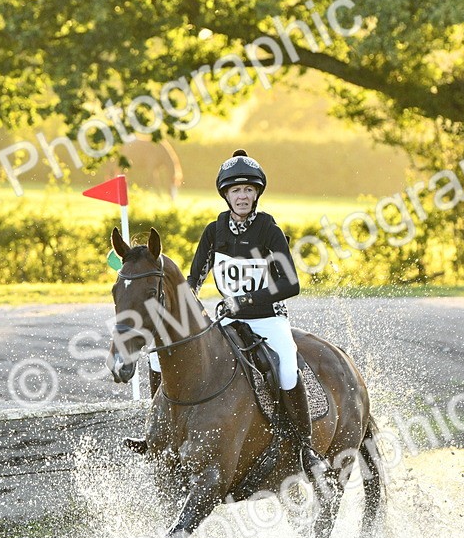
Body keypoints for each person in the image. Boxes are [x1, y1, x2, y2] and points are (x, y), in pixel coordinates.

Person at [126, 149, 327, 476]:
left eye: (248, 190)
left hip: (268, 319)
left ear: (257, 194)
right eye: (236, 190)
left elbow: (290, 284)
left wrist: (245, 302)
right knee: (158, 356)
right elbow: (194, 279)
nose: (242, 196)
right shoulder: (214, 231)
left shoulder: (269, 230)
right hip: (227, 319)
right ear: (226, 195)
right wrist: (181, 307)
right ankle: (159, 434)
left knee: (288, 368)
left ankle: (305, 447)